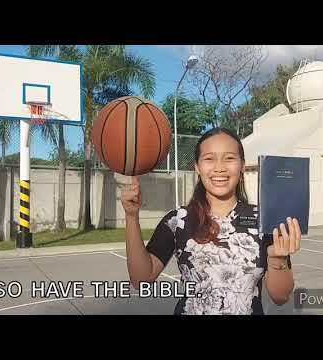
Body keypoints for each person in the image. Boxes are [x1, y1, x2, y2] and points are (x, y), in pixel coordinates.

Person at [121, 127, 301, 315]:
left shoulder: (265, 220)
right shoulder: (178, 220)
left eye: (229, 158)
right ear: (197, 167)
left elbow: (281, 297)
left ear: (242, 166)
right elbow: (140, 279)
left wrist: (277, 258)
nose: (220, 167)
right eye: (209, 159)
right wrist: (131, 216)